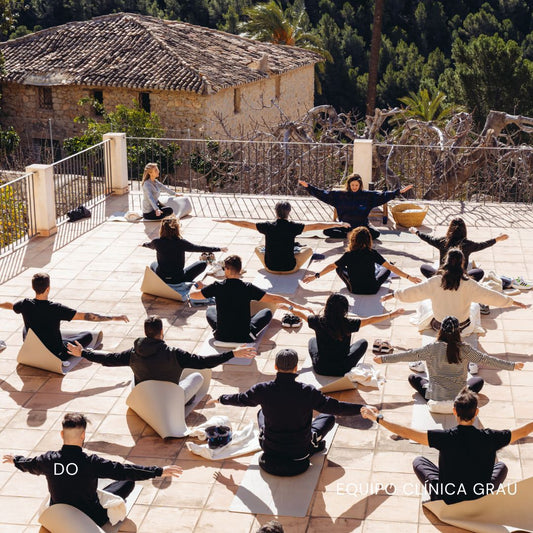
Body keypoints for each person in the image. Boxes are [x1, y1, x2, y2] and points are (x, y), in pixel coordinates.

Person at [2, 413, 183, 527]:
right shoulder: (91, 462)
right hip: (90, 517)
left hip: (60, 514)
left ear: (62, 434)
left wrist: (16, 460)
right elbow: (124, 470)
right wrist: (158, 471)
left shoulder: (48, 460)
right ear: (83, 436)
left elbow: (29, 465)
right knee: (127, 481)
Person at [207, 349, 368, 476]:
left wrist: (221, 398)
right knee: (329, 417)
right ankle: (314, 439)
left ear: (276, 367)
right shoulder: (307, 391)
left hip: (270, 450)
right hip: (299, 454)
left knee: (261, 412)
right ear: (296, 368)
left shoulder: (262, 389)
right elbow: (336, 407)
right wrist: (360, 409)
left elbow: (241, 399)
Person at [361, 388, 533, 504]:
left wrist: (377, 418)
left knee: (419, 461)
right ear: (477, 412)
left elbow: (406, 432)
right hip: (479, 496)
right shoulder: (492, 437)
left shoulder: (444, 437)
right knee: (501, 466)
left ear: (454, 411)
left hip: (447, 497)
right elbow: (523, 430)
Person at [67, 315, 256, 403]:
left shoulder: (133, 353)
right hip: (170, 400)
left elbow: (108, 359)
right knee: (197, 376)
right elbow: (205, 362)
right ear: (161, 332)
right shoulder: (175, 353)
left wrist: (83, 353)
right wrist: (233, 353)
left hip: (146, 398)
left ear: (146, 333)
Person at [374, 316, 524, 401]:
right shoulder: (465, 349)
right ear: (459, 332)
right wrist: (512, 365)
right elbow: (487, 360)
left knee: (413, 378)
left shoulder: (431, 349)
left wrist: (384, 360)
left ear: (440, 330)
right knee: (478, 381)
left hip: (434, 396)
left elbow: (407, 355)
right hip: (459, 398)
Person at [382, 248, 528, 335]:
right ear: (462, 263)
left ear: (446, 262)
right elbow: (491, 296)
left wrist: (393, 294)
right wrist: (513, 302)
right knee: (476, 306)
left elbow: (413, 292)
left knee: (424, 302)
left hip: (439, 327)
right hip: (462, 328)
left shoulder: (434, 282)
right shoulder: (469, 284)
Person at [0, 272, 128, 362]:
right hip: (55, 353)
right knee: (87, 335)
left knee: (26, 327)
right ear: (48, 289)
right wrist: (114, 317)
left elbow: (11, 305)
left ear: (33, 287)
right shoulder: (56, 308)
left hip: (33, 347)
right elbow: (86, 316)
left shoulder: (25, 304)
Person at [189, 255, 312, 343]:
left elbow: (193, 295)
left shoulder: (216, 287)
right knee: (267, 312)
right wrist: (298, 307)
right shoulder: (247, 288)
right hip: (244, 337)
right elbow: (274, 298)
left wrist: (196, 286)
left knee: (210, 309)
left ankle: (222, 328)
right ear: (240, 270)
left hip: (221, 336)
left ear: (226, 269)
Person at [279, 293, 404, 376]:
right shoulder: (349, 323)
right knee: (363, 343)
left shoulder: (317, 321)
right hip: (342, 368)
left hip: (321, 368)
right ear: (344, 309)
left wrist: (289, 308)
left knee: (312, 340)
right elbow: (371, 319)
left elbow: (302, 315)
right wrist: (390, 314)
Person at [215, 201, 350, 273]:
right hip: (289, 268)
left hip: (270, 267)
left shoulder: (267, 226)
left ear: (275, 211)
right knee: (308, 250)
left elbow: (245, 223)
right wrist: (338, 224)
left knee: (258, 248)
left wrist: (227, 220)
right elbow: (316, 226)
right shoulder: (293, 226)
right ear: (289, 212)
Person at [303, 226, 422, 294]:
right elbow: (391, 268)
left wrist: (316, 276)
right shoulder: (372, 253)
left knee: (338, 266)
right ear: (368, 240)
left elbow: (331, 266)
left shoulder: (349, 255)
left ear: (353, 240)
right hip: (372, 289)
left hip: (354, 289)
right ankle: (376, 272)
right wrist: (409, 277)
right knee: (387, 266)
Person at [299, 174, 413, 239]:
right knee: (327, 232)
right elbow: (322, 194)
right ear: (348, 185)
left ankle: (353, 235)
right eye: (352, 185)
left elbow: (383, 196)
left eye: (356, 185)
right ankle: (349, 234)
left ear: (360, 185)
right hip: (344, 226)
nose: (354, 187)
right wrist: (308, 187)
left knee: (376, 234)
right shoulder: (340, 195)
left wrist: (398, 192)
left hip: (361, 227)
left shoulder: (367, 195)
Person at [409, 217, 508, 281]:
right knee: (479, 272)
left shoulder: (442, 242)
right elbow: (483, 245)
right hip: (461, 279)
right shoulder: (468, 244)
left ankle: (436, 281)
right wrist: (497, 239)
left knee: (424, 267)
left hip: (443, 277)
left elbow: (428, 238)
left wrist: (416, 232)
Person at [142, 216, 228, 284]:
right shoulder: (181, 243)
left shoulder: (157, 242)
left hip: (162, 279)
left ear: (162, 229)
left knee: (153, 264)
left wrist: (143, 244)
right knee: (202, 263)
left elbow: (149, 245)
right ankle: (184, 281)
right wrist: (219, 249)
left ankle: (163, 282)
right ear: (177, 230)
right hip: (179, 279)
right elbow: (198, 248)